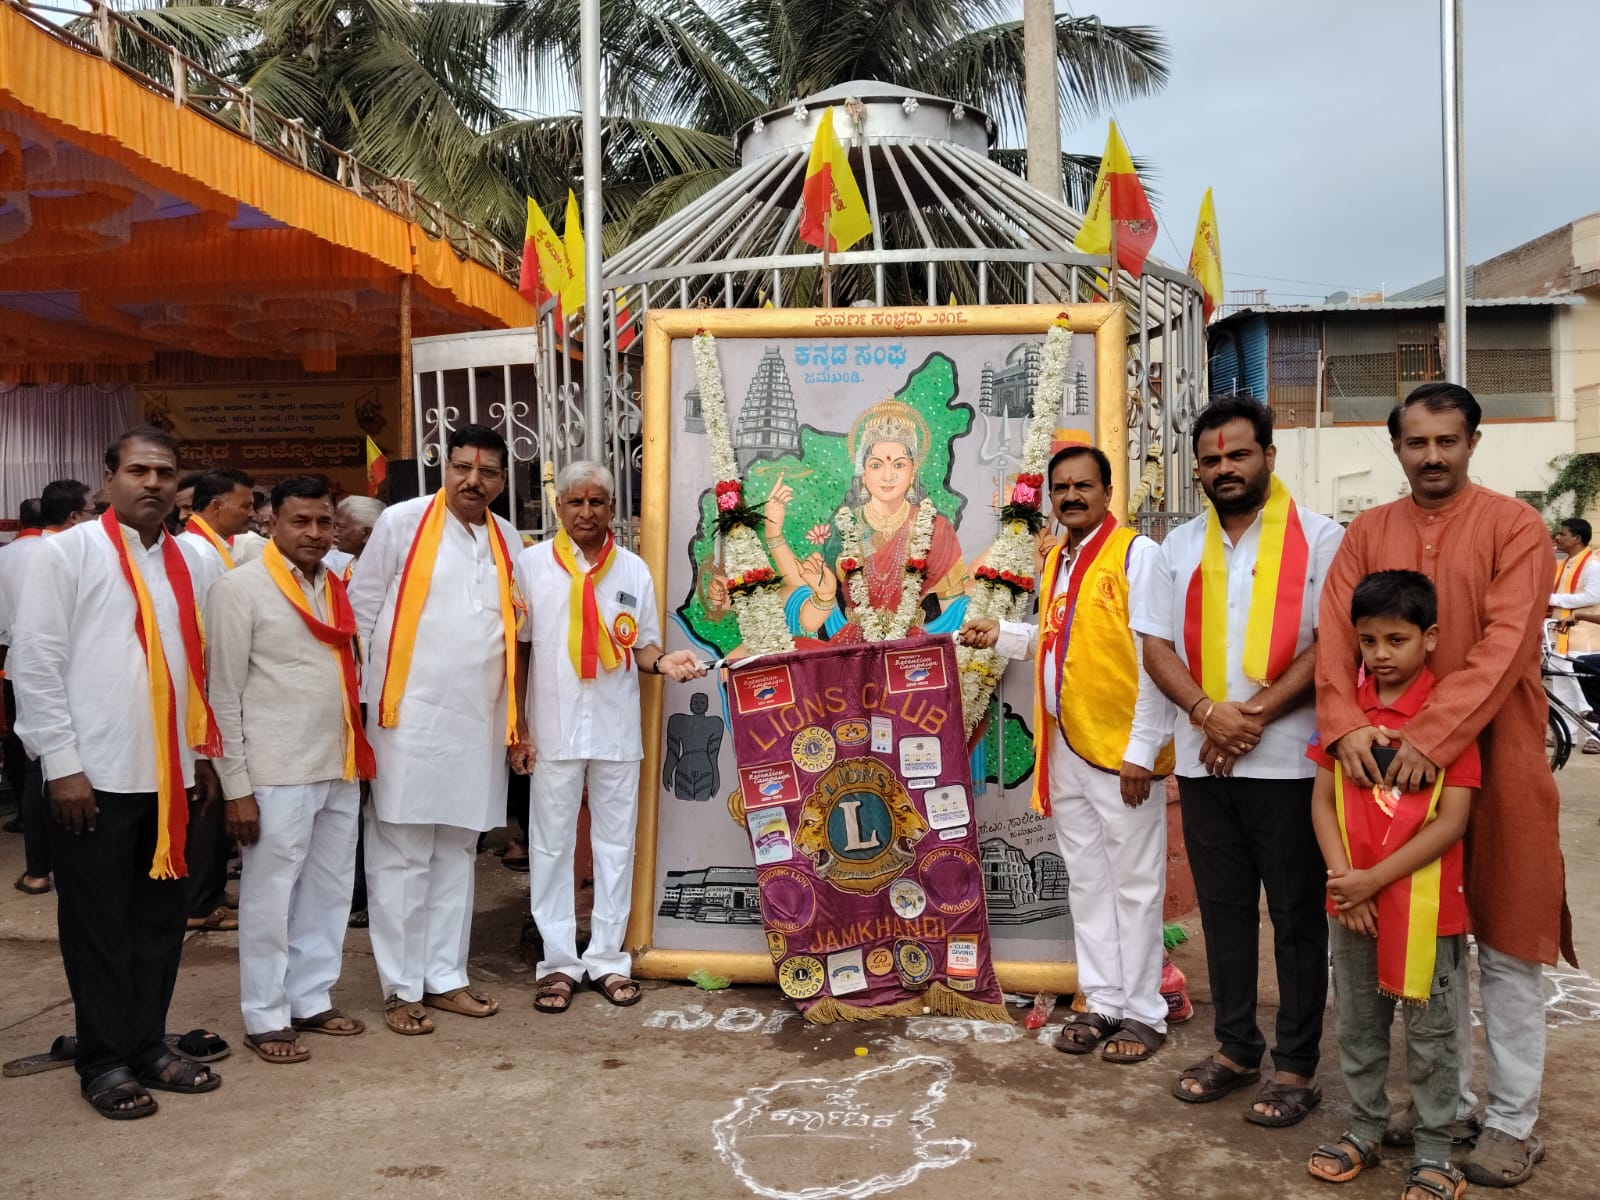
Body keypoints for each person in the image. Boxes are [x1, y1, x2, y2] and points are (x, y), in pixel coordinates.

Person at [1316, 382, 1574, 1189]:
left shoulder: (1515, 527)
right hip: (1377, 768)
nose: (1432, 456)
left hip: (1495, 757)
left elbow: (1504, 646)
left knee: (1502, 937)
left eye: (1447, 441)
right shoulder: (1369, 530)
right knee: (1418, 939)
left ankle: (1509, 1121)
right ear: (1396, 447)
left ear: (1472, 443)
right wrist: (1349, 727)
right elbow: (1333, 635)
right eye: (1416, 442)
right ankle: (1448, 1107)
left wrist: (1431, 737)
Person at [1132, 396, 1344, 1126]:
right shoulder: (1177, 548)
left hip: (1288, 766)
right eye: (1212, 459)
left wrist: (1252, 715)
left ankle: (1295, 1066)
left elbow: (1332, 645)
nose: (1225, 468)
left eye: (1238, 455)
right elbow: (1157, 646)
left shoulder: (1322, 540)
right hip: (1204, 762)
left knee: (1293, 918)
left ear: (1269, 458)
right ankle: (1233, 1049)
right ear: (1197, 469)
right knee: (1223, 915)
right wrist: (1205, 714)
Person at [10, 427, 225, 1119]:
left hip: (175, 775)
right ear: (108, 480)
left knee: (161, 923)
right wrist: (61, 765)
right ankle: (104, 1059)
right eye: (138, 470)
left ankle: (147, 1043)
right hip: (95, 776)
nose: (154, 483)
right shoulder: (67, 554)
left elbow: (203, 665)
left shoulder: (194, 558)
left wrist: (207, 758)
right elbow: (37, 665)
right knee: (98, 925)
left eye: (166, 471)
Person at [961, 444, 1175, 1062]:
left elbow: (1153, 657)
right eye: (1062, 489)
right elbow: (1060, 640)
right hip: (1068, 748)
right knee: (1086, 881)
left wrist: (1141, 750)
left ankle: (1145, 1012)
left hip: (1120, 754)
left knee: (1135, 885)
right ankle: (1104, 1000)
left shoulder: (1138, 554)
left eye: (1084, 486)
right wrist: (1001, 633)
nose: (1072, 496)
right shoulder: (1060, 559)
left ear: (1109, 491)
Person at [1304, 571, 1477, 1200]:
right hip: (1351, 905)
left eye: (1397, 639)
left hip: (1425, 910)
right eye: (1368, 640)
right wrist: (1345, 883)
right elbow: (1322, 803)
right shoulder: (1345, 713)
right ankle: (1364, 1128)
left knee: (1431, 1036)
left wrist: (1374, 878)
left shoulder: (1448, 717)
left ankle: (1436, 1151)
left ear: (1429, 639)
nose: (1380, 654)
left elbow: (1454, 820)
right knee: (1357, 1024)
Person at [348, 424, 523, 1036]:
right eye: (463, 467)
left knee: (457, 850)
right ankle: (400, 988)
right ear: (444, 468)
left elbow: (519, 628)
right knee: (402, 853)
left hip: (477, 722)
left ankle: (446, 977)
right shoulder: (402, 521)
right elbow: (362, 612)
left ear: (503, 481)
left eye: (489, 472)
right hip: (407, 717)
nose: (474, 481)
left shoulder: (507, 537)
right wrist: (363, 710)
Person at [514, 460, 704, 1014]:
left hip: (616, 727)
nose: (586, 512)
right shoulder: (531, 566)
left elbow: (643, 647)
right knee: (550, 848)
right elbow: (519, 650)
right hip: (551, 727)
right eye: (576, 502)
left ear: (613, 510)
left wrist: (666, 661)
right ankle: (556, 963)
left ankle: (606, 960)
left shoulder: (633, 572)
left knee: (615, 848)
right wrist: (518, 727)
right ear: (559, 508)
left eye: (597, 502)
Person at [206, 476, 372, 1063]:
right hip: (274, 771)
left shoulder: (334, 586)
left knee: (327, 893)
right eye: (300, 521)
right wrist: (237, 788)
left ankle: (311, 997)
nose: (314, 533)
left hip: (338, 761)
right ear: (270, 523)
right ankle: (266, 1015)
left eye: (324, 522)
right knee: (270, 898)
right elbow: (221, 695)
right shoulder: (240, 589)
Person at [760, 399, 968, 643]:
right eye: (877, 465)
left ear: (913, 472)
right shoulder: (845, 526)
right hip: (852, 647)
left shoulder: (935, 528)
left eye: (899, 465)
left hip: (914, 652)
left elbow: (954, 610)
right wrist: (773, 532)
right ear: (864, 473)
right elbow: (812, 603)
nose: (888, 476)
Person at [0, 480, 96, 894]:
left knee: (30, 763)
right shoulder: (68, 554)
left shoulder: (8, 554)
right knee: (51, 767)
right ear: (73, 516)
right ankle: (48, 866)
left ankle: (38, 868)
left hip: (12, 663)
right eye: (92, 512)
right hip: (58, 671)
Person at [176, 468, 256, 932]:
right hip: (204, 690)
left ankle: (206, 887)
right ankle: (198, 901)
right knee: (207, 792)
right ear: (214, 506)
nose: (250, 512)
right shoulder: (194, 551)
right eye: (244, 504)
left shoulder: (214, 548)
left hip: (214, 685)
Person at [1549, 517, 1600, 753]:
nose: (1558, 537)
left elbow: (1593, 597)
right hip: (1560, 635)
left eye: (1563, 534)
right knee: (1561, 686)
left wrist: (1553, 600)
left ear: (1577, 538)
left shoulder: (1593, 565)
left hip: (1583, 637)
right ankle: (1565, 733)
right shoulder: (1564, 564)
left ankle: (1595, 735)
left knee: (1584, 688)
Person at [327, 495, 384, 579]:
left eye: (341, 527)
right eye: (335, 526)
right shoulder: (349, 566)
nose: (334, 533)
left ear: (367, 533)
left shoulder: (387, 571)